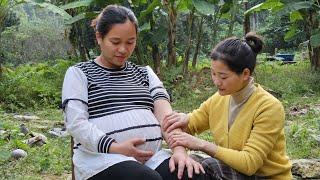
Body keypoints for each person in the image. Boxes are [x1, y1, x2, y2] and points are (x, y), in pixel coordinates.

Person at [61, 4, 205, 180]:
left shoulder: (145, 73)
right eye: (115, 42)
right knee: (145, 178)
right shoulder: (79, 73)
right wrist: (116, 147)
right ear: (99, 37)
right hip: (102, 159)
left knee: (192, 175)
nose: (123, 49)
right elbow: (76, 123)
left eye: (130, 42)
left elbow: (167, 119)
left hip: (151, 158)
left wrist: (179, 151)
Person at [163, 32, 292, 179]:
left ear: (245, 74)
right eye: (213, 74)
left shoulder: (269, 107)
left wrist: (201, 144)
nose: (216, 81)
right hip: (235, 173)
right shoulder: (218, 100)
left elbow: (249, 163)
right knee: (180, 165)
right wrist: (182, 121)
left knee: (209, 166)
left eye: (223, 76)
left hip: (265, 177)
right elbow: (189, 125)